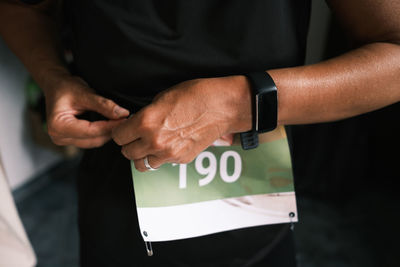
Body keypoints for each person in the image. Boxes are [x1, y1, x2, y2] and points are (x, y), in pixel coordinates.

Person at [0, 0, 399, 266]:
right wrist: (53, 76)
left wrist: (235, 105)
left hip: (255, 212)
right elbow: (21, 6)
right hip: (114, 201)